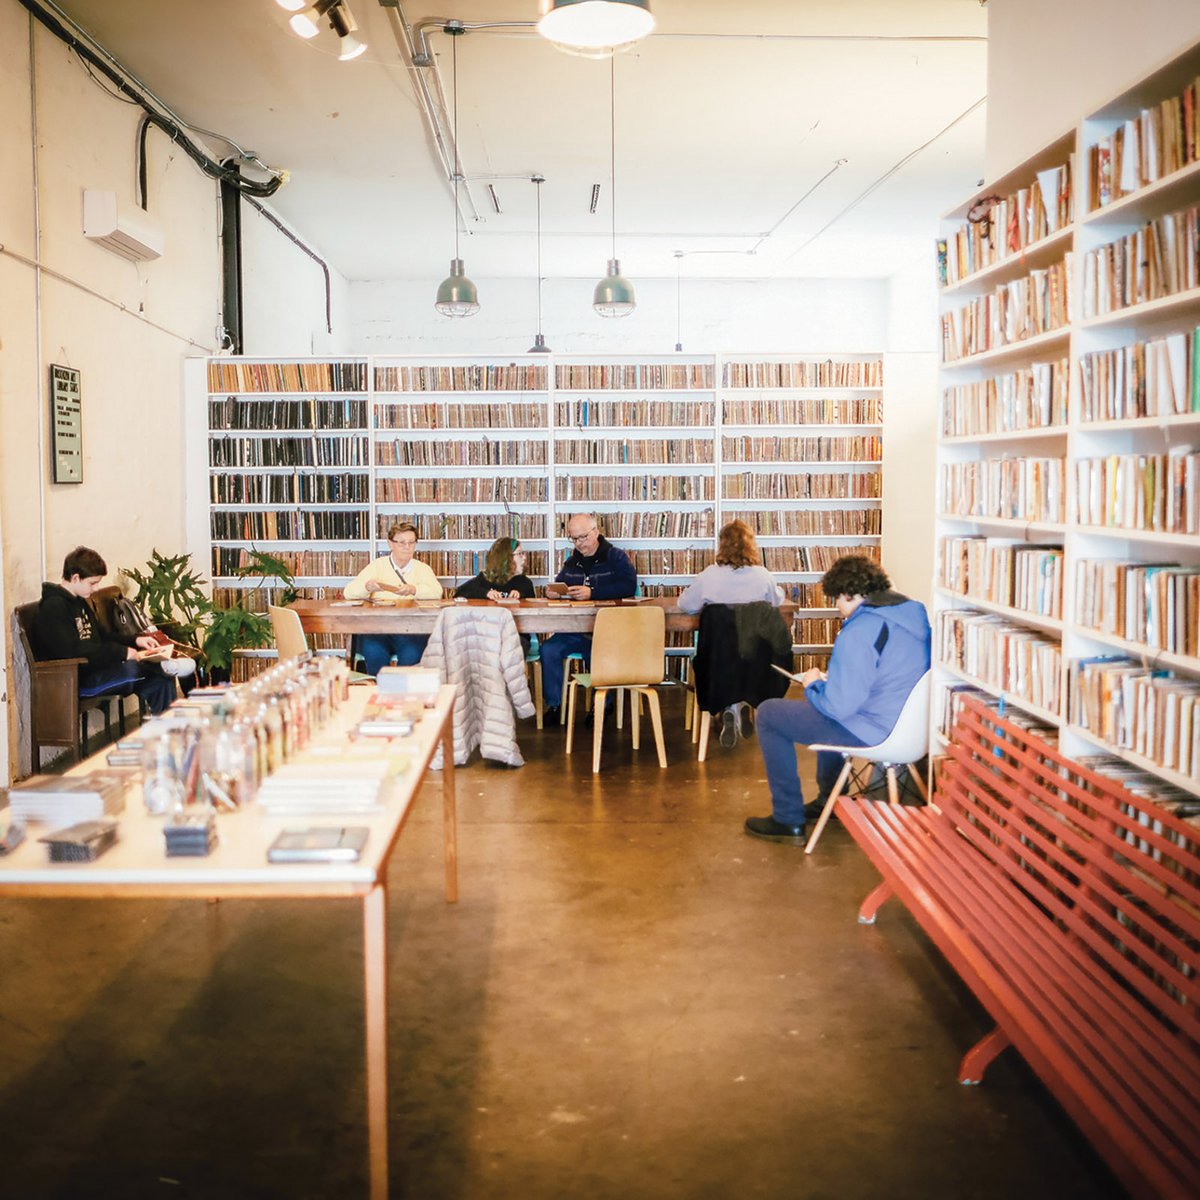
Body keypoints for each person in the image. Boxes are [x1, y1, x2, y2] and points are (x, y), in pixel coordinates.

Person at [745, 554, 931, 844]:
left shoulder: (859, 630)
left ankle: (786, 819)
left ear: (849, 593)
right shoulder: (914, 615)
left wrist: (813, 684)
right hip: (911, 731)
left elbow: (838, 706)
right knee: (822, 710)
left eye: (837, 600)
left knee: (770, 713)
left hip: (873, 731)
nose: (837, 608)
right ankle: (829, 801)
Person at [678, 519, 786, 748]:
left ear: (722, 545)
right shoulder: (762, 575)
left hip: (718, 665)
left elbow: (686, 604)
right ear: (751, 545)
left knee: (724, 661)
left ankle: (728, 708)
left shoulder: (710, 575)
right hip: (755, 664)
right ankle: (745, 702)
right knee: (746, 659)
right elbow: (776, 601)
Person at [33, 546, 176, 715]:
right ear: (76, 578)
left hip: (97, 669)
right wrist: (122, 653)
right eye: (92, 583)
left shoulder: (79, 601)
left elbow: (102, 636)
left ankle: (168, 732)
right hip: (76, 679)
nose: (95, 589)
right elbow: (71, 651)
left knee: (162, 679)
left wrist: (135, 640)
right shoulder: (54, 607)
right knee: (137, 669)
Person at [539, 513, 637, 720]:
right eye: (574, 539)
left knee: (598, 652)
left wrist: (593, 593)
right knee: (548, 650)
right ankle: (555, 706)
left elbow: (628, 586)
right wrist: (555, 592)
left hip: (608, 632)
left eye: (582, 537)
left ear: (596, 532)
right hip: (575, 630)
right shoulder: (572, 561)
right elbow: (561, 582)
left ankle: (602, 704)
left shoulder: (616, 556)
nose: (578, 543)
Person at [343, 523, 443, 675]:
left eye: (412, 542)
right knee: (374, 653)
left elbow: (437, 592)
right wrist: (366, 587)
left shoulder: (422, 568)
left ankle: (404, 695)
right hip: (378, 628)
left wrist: (415, 590)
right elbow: (348, 593)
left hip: (411, 629)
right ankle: (380, 694)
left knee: (412, 654)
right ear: (390, 543)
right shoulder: (378, 566)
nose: (407, 547)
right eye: (402, 542)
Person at [453, 537, 536, 602]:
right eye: (520, 554)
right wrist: (486, 593)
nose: (524, 557)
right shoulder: (486, 578)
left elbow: (532, 610)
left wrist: (520, 595)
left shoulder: (525, 583)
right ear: (506, 558)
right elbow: (459, 594)